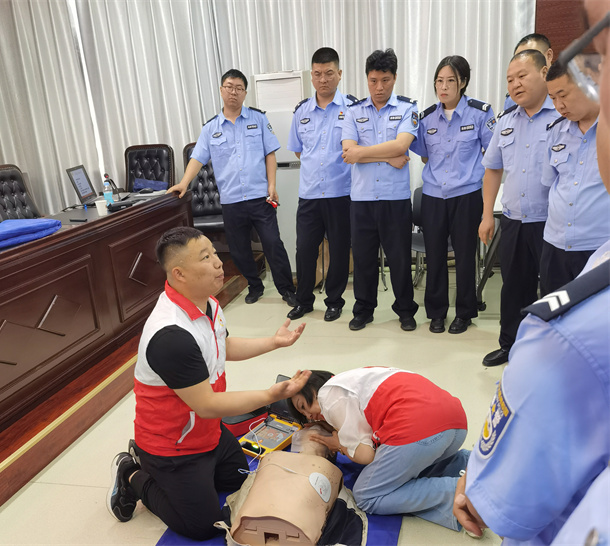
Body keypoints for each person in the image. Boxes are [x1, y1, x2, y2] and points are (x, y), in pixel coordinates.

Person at [453, 0, 610, 541]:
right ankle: (506, 340)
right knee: (519, 297)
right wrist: (489, 214)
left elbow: (517, 449)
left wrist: (480, 476)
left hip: (582, 246)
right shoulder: (527, 124)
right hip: (544, 232)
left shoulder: (570, 338)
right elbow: (529, 178)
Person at [106, 226, 310, 541]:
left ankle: (179, 473)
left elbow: (223, 346)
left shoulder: (208, 304)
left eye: (214, 253)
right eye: (205, 258)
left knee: (239, 481)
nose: (218, 262)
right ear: (179, 273)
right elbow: (207, 404)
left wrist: (273, 342)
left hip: (208, 431)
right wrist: (270, 394)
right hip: (172, 444)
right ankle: (132, 472)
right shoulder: (170, 334)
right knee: (202, 526)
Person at [169, 69, 297, 307]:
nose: (234, 92)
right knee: (239, 250)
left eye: (239, 88)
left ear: (245, 93)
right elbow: (197, 159)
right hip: (231, 200)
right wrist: (184, 183)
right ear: (221, 90)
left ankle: (287, 290)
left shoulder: (258, 119)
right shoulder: (211, 128)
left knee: (273, 243)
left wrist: (272, 185)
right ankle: (255, 286)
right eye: (229, 87)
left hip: (260, 197)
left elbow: (270, 154)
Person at [288, 367, 470, 531]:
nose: (310, 416)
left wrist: (340, 445)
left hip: (420, 433)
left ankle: (460, 491)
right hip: (455, 423)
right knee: (410, 469)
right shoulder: (354, 380)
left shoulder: (328, 398)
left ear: (313, 387)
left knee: (366, 495)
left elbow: (366, 456)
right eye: (305, 415)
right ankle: (469, 464)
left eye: (303, 406)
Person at [478, 50, 561, 367]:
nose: (515, 84)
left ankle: (551, 353)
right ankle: (510, 345)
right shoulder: (506, 121)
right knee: (513, 287)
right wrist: (487, 214)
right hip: (513, 221)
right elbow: (492, 170)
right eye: (510, 79)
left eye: (522, 76)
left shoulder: (562, 117)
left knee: (552, 290)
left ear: (544, 72)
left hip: (550, 223)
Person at [410, 56, 496, 334]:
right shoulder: (426, 118)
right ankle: (436, 313)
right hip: (434, 196)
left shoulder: (480, 113)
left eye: (450, 81)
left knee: (465, 257)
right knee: (435, 256)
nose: (443, 87)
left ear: (463, 82)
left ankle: (465, 313)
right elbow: (425, 156)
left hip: (467, 195)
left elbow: (493, 155)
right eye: (439, 81)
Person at [341, 48, 419, 332]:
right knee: (363, 259)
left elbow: (401, 145)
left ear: (394, 78)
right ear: (367, 79)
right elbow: (348, 153)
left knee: (400, 259)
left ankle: (406, 310)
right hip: (362, 199)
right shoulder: (353, 112)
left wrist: (364, 153)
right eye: (373, 81)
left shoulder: (407, 109)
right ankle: (363, 310)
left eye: (385, 80)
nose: (379, 87)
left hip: (394, 199)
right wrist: (387, 157)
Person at [286, 47, 356, 323]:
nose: (323, 79)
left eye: (329, 73)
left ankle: (334, 302)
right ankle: (303, 300)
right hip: (310, 194)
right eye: (317, 74)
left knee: (339, 250)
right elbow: (298, 150)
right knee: (305, 250)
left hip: (341, 192)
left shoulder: (352, 108)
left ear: (339, 74)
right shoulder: (301, 111)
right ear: (312, 76)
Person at [541, 60, 610, 293]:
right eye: (552, 98)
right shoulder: (556, 131)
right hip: (555, 245)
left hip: (599, 247)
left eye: (563, 95)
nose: (559, 105)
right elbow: (550, 183)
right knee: (554, 311)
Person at [502, 34, 554, 112]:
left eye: (532, 54)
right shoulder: (513, 99)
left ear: (549, 55)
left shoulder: (567, 90)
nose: (524, 60)